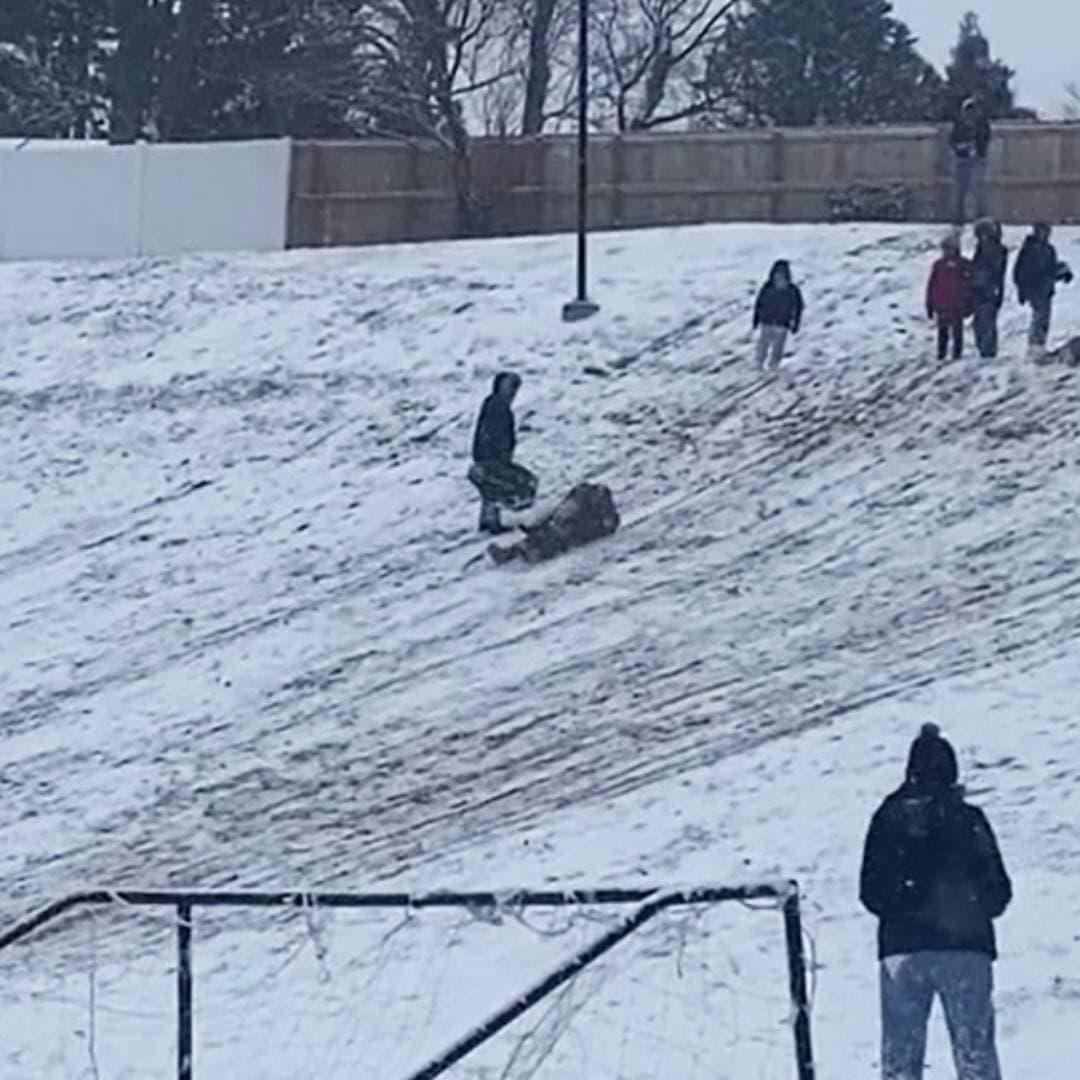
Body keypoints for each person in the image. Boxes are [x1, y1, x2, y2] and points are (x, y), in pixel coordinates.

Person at [860, 723, 1012, 1080]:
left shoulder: (887, 818)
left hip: (903, 951)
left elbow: (870, 892)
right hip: (965, 947)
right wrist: (967, 909)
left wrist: (906, 910)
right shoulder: (968, 819)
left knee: (901, 1058)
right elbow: (999, 891)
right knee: (975, 1056)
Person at [467, 372, 538, 534]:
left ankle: (489, 519)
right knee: (524, 483)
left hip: (486, 461)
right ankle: (498, 519)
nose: (513, 391)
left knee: (493, 487)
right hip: (490, 461)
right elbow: (493, 437)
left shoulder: (494, 405)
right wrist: (497, 456)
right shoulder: (497, 406)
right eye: (510, 386)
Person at [488, 483, 619, 566]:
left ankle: (524, 552)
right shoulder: (581, 498)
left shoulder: (595, 515)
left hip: (568, 533)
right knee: (546, 534)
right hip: (563, 528)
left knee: (551, 538)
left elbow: (604, 528)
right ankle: (514, 552)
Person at [1013, 222, 1074, 360]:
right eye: (1042, 232)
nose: (1045, 235)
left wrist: (1062, 273)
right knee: (1039, 316)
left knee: (1044, 317)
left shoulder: (1049, 249)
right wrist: (1022, 290)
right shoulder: (1029, 249)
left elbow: (1051, 268)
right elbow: (1020, 271)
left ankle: (1039, 344)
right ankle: (1035, 345)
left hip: (1046, 288)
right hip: (1034, 288)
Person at [752, 260, 803, 373]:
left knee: (778, 347)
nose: (778, 277)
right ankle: (759, 363)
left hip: (782, 323)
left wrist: (795, 323)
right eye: (777, 274)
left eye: (782, 274)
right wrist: (756, 319)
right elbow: (759, 303)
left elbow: (798, 307)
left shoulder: (792, 290)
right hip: (767, 321)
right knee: (763, 344)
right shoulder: (767, 287)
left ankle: (774, 365)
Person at [926, 236, 972, 361]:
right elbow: (932, 285)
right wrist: (930, 304)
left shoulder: (964, 265)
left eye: (948, 249)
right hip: (942, 304)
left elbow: (969, 285)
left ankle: (957, 355)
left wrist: (968, 303)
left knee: (957, 332)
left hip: (957, 304)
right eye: (945, 249)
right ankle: (941, 354)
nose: (946, 252)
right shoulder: (938, 265)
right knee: (943, 332)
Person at [950, 98, 991, 226]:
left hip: (977, 160)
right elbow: (952, 141)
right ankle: (959, 217)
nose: (970, 114)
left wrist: (977, 148)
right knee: (960, 190)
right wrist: (962, 147)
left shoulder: (982, 125)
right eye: (968, 110)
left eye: (973, 110)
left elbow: (986, 139)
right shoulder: (959, 125)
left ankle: (980, 216)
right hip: (962, 160)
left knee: (977, 189)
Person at [970, 219, 1007, 359]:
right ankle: (985, 349)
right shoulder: (981, 248)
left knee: (986, 321)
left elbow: (993, 270)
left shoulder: (994, 249)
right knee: (980, 322)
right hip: (980, 290)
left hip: (989, 290)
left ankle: (988, 351)